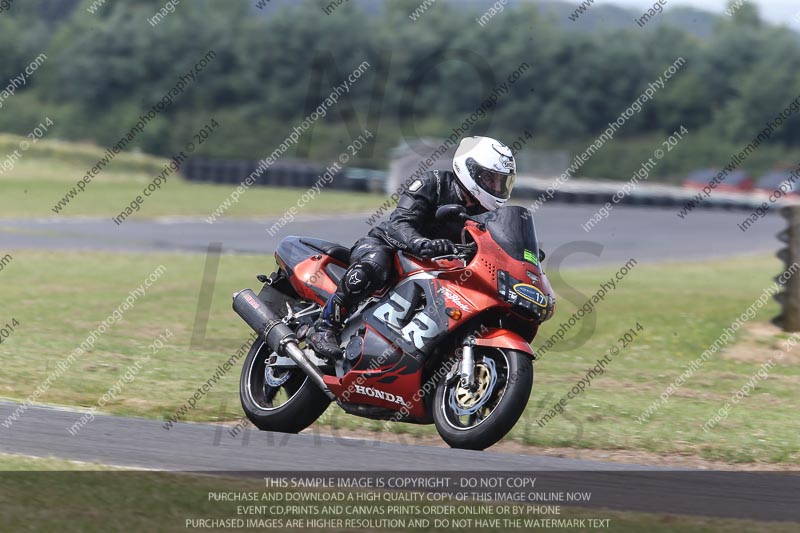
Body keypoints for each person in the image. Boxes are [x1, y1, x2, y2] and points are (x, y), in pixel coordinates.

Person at [307, 136, 517, 359]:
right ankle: (324, 327)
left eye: (501, 182)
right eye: (490, 179)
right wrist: (420, 243)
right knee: (375, 264)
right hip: (387, 246)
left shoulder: (488, 215)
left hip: (435, 269)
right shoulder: (432, 183)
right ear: (470, 169)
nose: (496, 187)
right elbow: (400, 222)